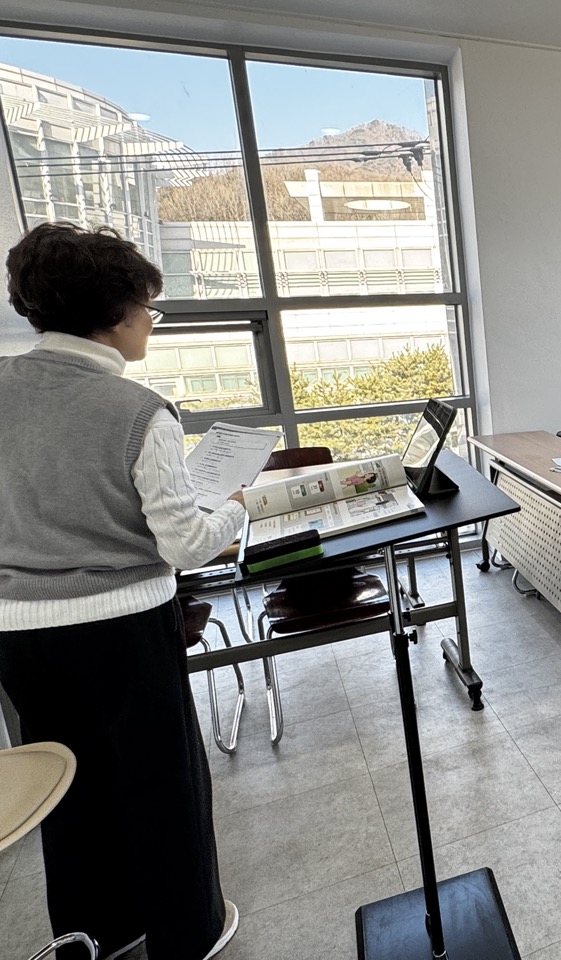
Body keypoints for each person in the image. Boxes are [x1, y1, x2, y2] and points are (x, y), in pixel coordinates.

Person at [0, 223, 245, 960]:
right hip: (123, 627)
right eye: (147, 308)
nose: (150, 323)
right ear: (115, 314)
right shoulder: (137, 411)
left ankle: (95, 935)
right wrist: (236, 509)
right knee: (161, 786)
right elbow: (187, 545)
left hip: (18, 634)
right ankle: (186, 934)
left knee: (67, 790)